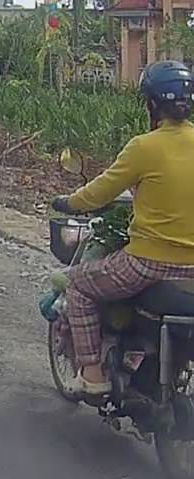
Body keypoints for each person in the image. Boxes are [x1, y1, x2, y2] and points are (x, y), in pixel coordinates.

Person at [51, 60, 194, 395]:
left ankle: (92, 375)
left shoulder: (144, 147)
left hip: (146, 264)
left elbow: (100, 191)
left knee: (77, 285)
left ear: (151, 104)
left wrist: (69, 203)